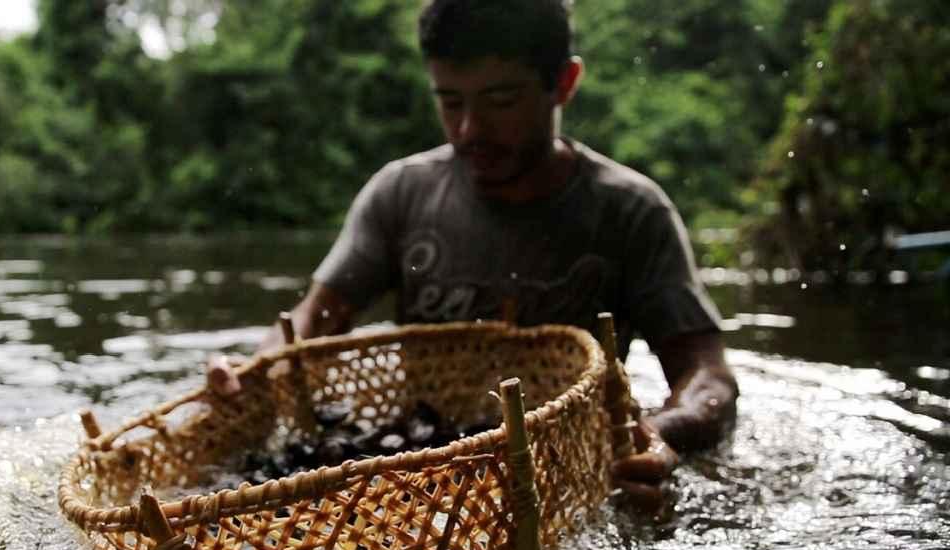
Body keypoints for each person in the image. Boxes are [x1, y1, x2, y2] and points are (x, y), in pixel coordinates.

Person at [208, 0, 738, 508]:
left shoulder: (631, 213)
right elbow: (317, 319)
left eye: (501, 101)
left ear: (564, 84)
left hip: (567, 473)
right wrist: (254, 370)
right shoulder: (401, 194)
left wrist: (658, 435)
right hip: (425, 467)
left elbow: (707, 377)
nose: (470, 130)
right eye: (450, 101)